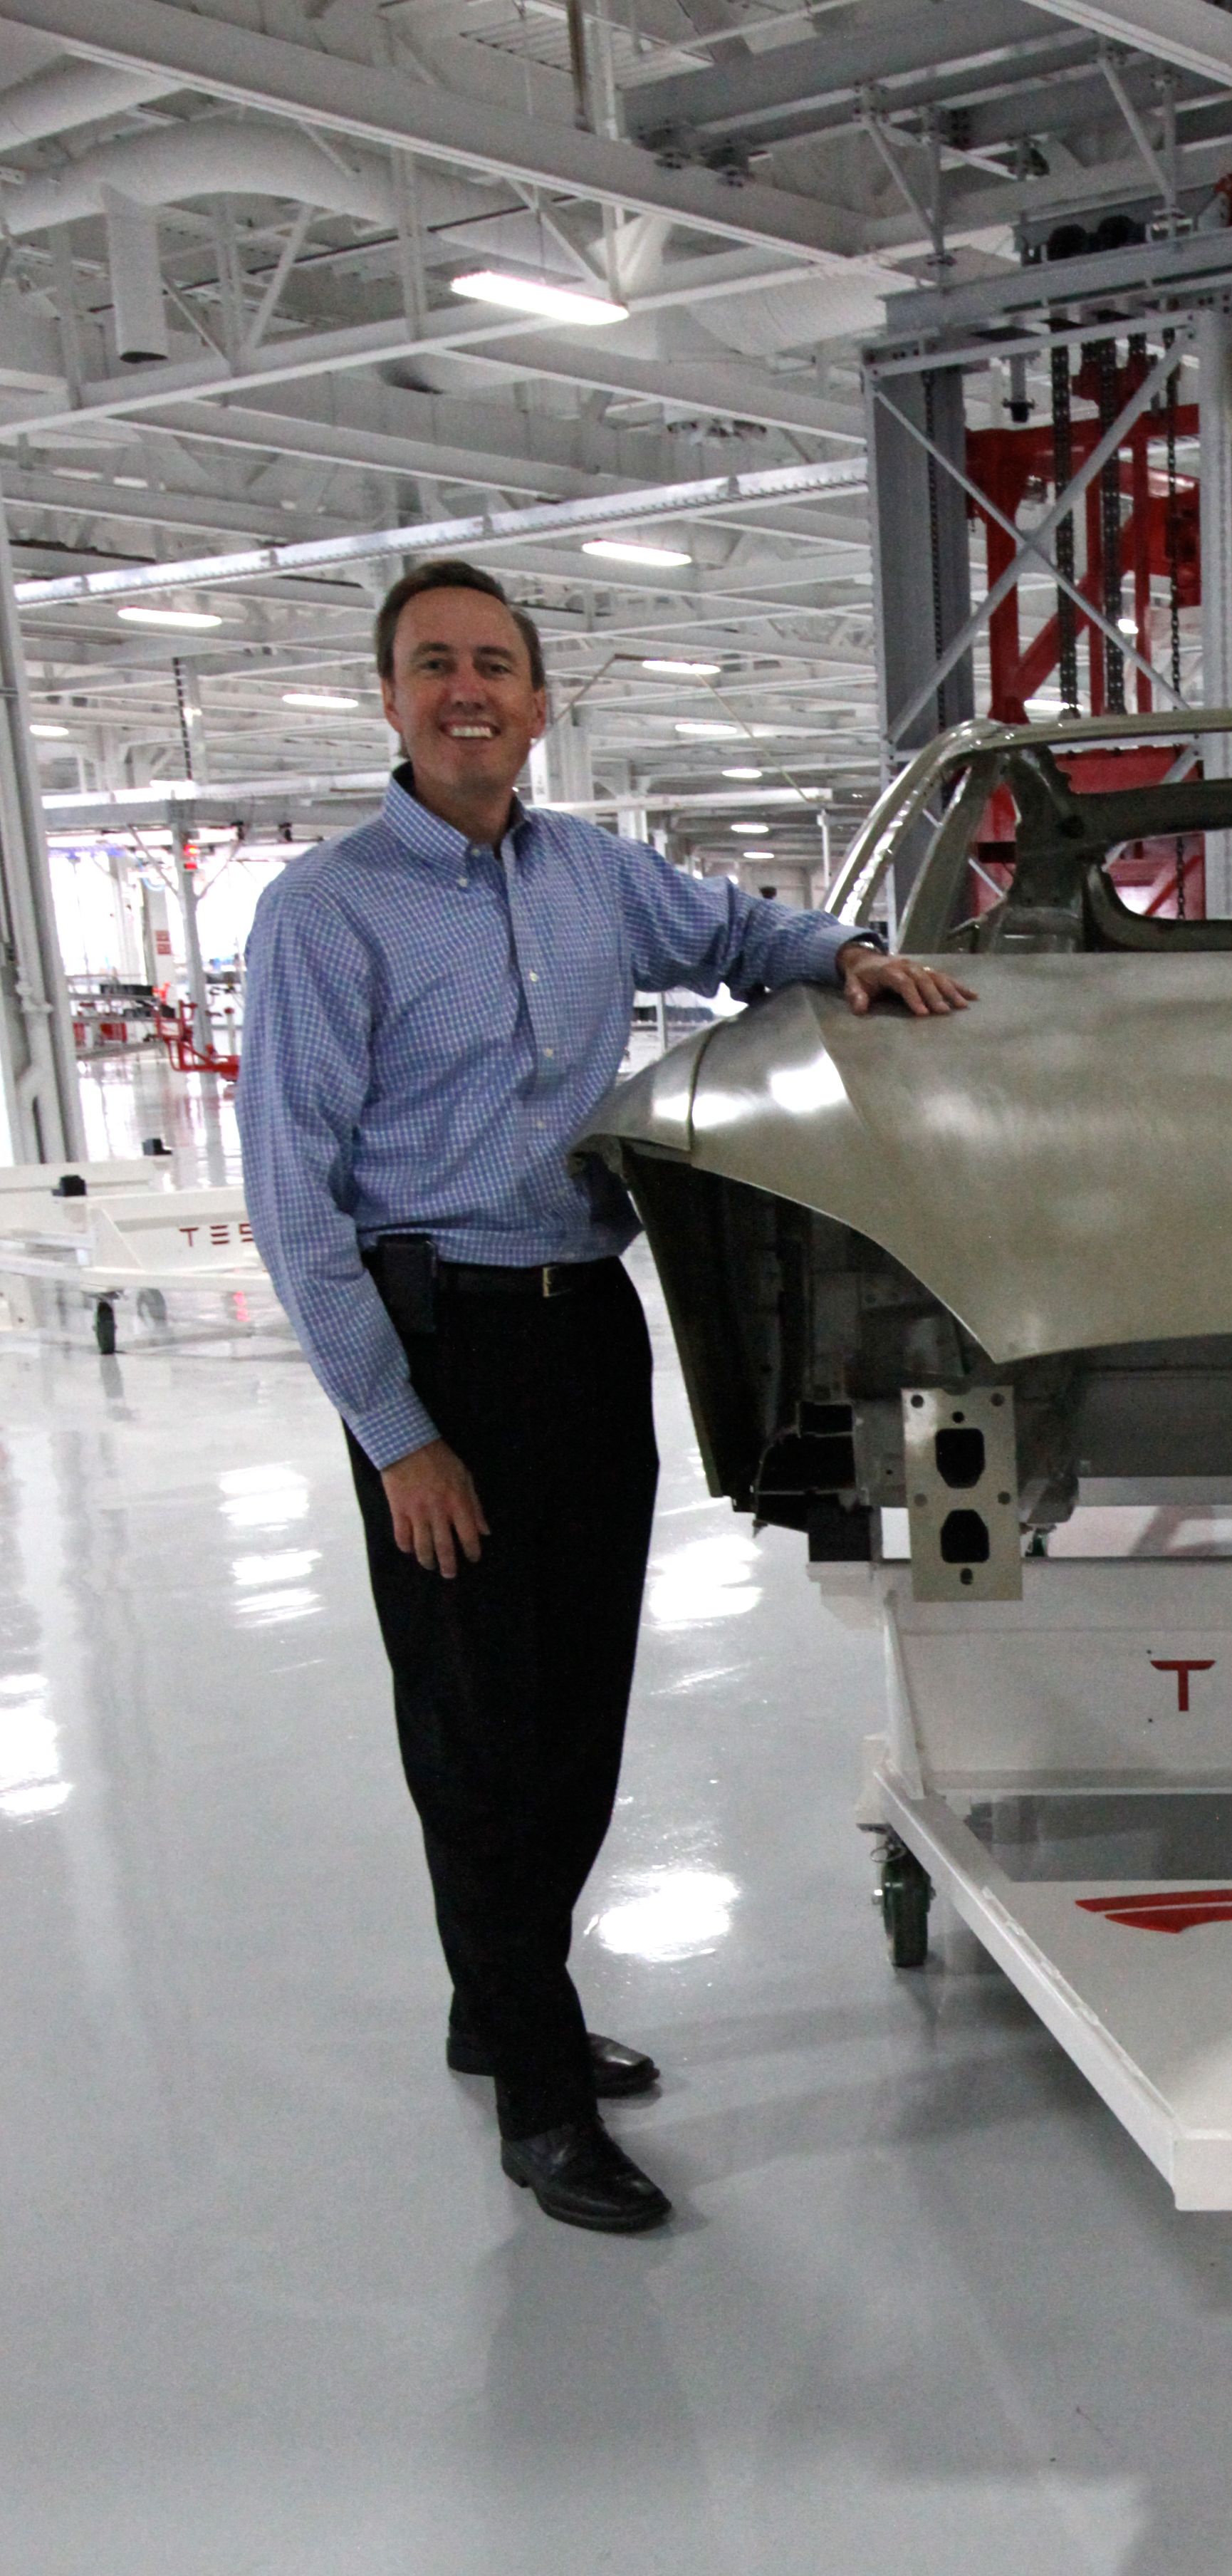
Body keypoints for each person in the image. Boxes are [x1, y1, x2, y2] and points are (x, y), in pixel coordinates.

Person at [241, 560, 976, 2234]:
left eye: (495, 663)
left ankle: (494, 2003)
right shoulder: (326, 912)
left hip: (584, 1332)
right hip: (443, 1348)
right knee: (480, 1726)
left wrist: (849, 952)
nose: (467, 690)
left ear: (541, 701)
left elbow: (734, 936)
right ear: (391, 700)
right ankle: (542, 2091)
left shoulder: (589, 875)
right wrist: (397, 1434)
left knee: (572, 1703)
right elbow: (294, 1201)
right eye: (434, 666)